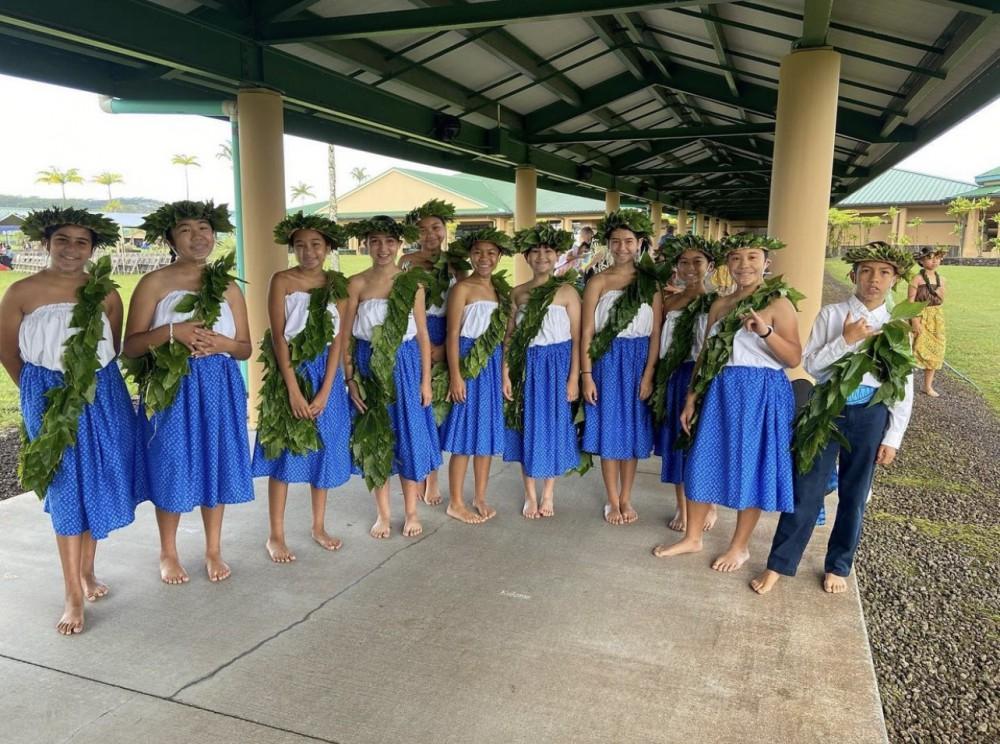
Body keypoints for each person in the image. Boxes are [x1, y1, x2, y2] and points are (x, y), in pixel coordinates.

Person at [752, 242, 917, 595]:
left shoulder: (896, 325)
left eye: (884, 272)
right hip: (828, 409)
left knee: (854, 494)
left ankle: (838, 565)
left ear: (895, 279)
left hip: (871, 413)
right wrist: (845, 340)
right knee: (806, 487)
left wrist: (893, 437)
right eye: (866, 271)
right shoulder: (832, 314)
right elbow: (811, 366)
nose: (874, 279)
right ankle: (779, 564)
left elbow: (903, 385)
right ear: (854, 275)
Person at [0, 208, 136, 634]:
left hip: (101, 393)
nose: (72, 249)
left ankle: (88, 570)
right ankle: (72, 594)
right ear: (46, 243)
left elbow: (113, 345)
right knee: (65, 487)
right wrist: (40, 393)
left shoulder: (105, 292)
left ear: (92, 249)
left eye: (82, 242)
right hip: (47, 396)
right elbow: (7, 351)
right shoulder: (21, 292)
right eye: (62, 240)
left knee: (95, 478)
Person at [124, 201, 253, 584]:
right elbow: (130, 346)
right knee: (172, 462)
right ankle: (168, 551)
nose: (197, 237)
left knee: (215, 462)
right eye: (185, 230)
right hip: (171, 387)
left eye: (203, 229)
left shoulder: (228, 286)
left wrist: (223, 344)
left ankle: (213, 549)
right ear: (170, 239)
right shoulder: (154, 283)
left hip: (219, 385)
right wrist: (172, 333)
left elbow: (245, 348)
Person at [657, 234, 802, 571]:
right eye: (736, 258)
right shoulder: (720, 305)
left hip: (761, 392)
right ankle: (693, 537)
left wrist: (766, 332)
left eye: (752, 257)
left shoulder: (778, 303)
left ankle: (739, 547)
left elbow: (794, 357)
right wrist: (691, 397)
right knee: (700, 460)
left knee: (750, 467)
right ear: (727, 264)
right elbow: (705, 354)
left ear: (766, 262)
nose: (743, 265)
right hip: (719, 388)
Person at [251, 212, 351, 563]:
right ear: (292, 248)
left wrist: (326, 390)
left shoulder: (337, 284)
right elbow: (279, 338)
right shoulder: (282, 280)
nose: (309, 252)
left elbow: (339, 340)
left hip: (327, 374)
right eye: (301, 245)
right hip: (290, 369)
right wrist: (293, 390)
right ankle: (275, 534)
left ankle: (318, 526)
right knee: (284, 450)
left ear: (328, 247)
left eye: (316, 244)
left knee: (322, 448)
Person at [343, 215, 441, 539]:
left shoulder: (412, 283)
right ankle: (383, 513)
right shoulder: (356, 283)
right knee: (377, 438)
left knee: (408, 436)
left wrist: (425, 381)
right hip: (368, 365)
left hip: (407, 364)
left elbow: (423, 334)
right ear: (366, 245)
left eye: (388, 242)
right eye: (375, 241)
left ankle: (411, 511)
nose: (382, 248)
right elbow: (346, 336)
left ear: (399, 244)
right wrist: (350, 379)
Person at [580, 209, 662, 525]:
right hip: (607, 360)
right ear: (608, 244)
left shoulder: (650, 283)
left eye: (629, 241)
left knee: (633, 430)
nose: (622, 247)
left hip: (639, 360)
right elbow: (587, 332)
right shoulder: (598, 281)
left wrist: (649, 374)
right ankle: (612, 500)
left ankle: (627, 496)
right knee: (610, 428)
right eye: (616, 241)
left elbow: (656, 332)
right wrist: (587, 375)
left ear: (639, 243)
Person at [502, 223, 581, 518]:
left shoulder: (567, 291)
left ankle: (548, 492)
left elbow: (577, 338)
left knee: (554, 426)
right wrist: (506, 372)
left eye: (548, 251)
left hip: (558, 366)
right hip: (527, 366)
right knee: (527, 426)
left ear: (557, 255)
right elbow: (510, 337)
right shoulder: (518, 293)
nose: (541, 256)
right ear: (526, 257)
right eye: (535, 251)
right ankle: (530, 494)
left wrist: (574, 378)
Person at [649, 235, 718, 547]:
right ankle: (682, 504)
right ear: (675, 266)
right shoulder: (670, 303)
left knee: (702, 442)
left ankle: (709, 503)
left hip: (703, 376)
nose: (690, 268)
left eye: (697, 262)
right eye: (684, 262)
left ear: (710, 266)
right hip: (674, 375)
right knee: (679, 441)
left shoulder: (718, 302)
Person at [440, 228, 513, 524]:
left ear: (499, 256)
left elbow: (506, 338)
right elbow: (452, 334)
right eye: (478, 252)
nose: (485, 258)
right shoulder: (462, 288)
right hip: (468, 363)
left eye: (491, 253)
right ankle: (455, 502)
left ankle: (480, 496)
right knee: (464, 435)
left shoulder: (501, 291)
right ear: (470, 255)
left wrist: (505, 374)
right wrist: (456, 376)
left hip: (492, 366)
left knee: (486, 433)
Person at [400, 199, 467, 506]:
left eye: (436, 227)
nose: (430, 234)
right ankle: (424, 471)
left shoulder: (456, 264)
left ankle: (434, 475)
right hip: (415, 333)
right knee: (419, 403)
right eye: (423, 229)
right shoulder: (406, 261)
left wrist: (446, 347)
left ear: (445, 229)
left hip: (448, 332)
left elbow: (466, 303)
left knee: (440, 406)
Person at [908, 246, 947, 397]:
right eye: (930, 258)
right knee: (913, 349)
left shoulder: (942, 280)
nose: (934, 261)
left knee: (935, 350)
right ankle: (905, 383)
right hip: (919, 314)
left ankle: (927, 386)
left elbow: (941, 300)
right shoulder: (916, 279)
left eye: (937, 258)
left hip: (936, 318)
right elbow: (910, 301)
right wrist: (914, 320)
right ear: (922, 261)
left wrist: (940, 292)